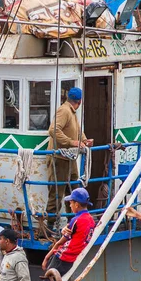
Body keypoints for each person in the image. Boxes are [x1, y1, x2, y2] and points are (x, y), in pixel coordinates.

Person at [46, 87, 93, 226]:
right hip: (59, 158)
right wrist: (71, 142)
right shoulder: (64, 110)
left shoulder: (72, 111)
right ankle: (50, 225)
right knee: (56, 192)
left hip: (69, 158)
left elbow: (77, 130)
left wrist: (84, 140)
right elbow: (53, 130)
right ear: (79, 101)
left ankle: (73, 222)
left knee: (74, 190)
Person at [40, 188, 95, 281]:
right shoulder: (91, 220)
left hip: (62, 257)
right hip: (71, 259)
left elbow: (60, 242)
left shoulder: (76, 220)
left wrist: (46, 257)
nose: (70, 206)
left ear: (77, 205)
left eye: (71, 203)